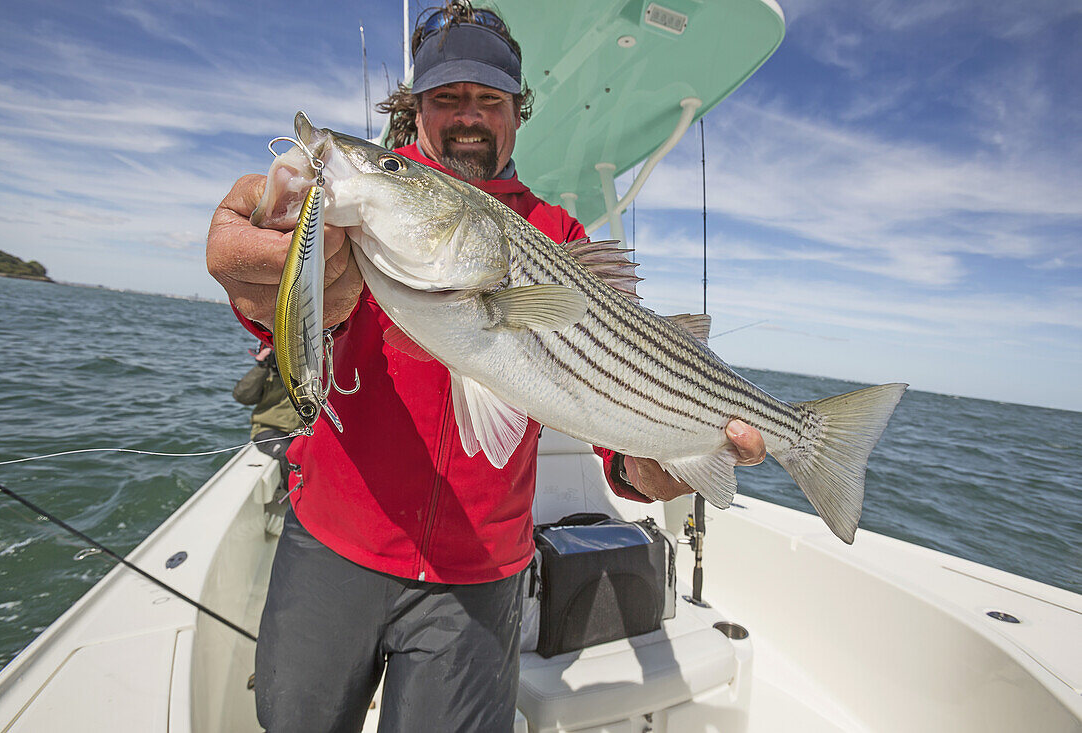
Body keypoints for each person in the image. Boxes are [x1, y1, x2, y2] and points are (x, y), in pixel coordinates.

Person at [205, 3, 766, 731]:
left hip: (480, 571)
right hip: (335, 542)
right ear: (414, 112)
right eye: (445, 98)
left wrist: (664, 463)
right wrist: (260, 278)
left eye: (488, 100)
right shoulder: (366, 212)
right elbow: (287, 319)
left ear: (516, 112)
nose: (468, 117)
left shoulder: (559, 234)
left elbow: (619, 440)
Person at [231, 344, 301, 494]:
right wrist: (262, 366)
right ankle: (293, 500)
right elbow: (242, 396)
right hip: (269, 430)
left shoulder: (304, 372)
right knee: (288, 454)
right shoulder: (267, 373)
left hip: (301, 432)